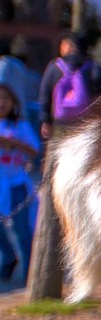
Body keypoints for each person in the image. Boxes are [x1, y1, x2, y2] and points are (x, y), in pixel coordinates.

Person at [0, 86, 41, 283]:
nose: (1, 103)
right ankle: (8, 258)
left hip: (16, 181)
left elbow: (34, 151)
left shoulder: (20, 126)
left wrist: (15, 144)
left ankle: (29, 275)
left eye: (6, 98)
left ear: (13, 102)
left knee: (22, 230)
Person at [39, 35, 101, 143]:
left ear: (68, 46)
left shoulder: (54, 67)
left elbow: (44, 95)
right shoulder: (95, 67)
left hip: (60, 123)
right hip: (86, 123)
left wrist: (46, 120)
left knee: (58, 152)